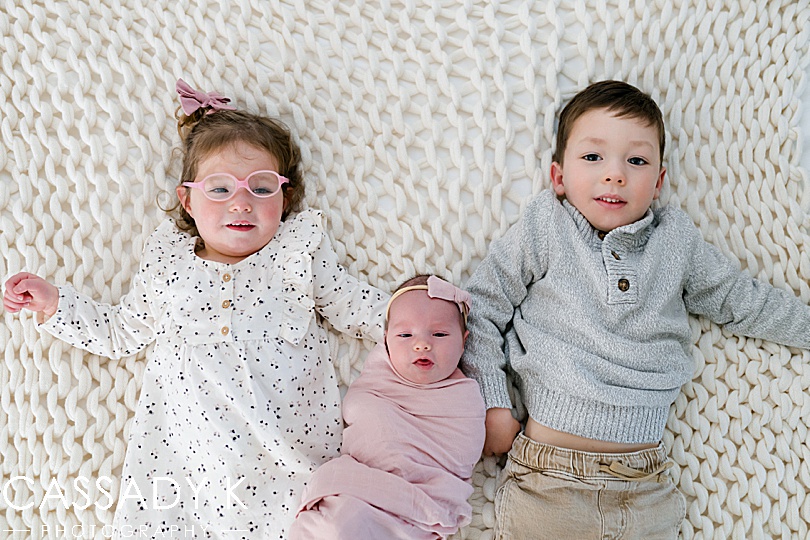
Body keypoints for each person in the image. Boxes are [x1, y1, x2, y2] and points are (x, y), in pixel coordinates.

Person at [3, 79, 388, 539]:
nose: (241, 202)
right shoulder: (169, 260)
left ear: (285, 199)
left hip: (287, 457)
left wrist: (421, 318)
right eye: (220, 189)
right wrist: (57, 305)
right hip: (187, 462)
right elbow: (123, 330)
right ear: (188, 200)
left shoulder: (296, 252)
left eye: (262, 188)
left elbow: (352, 305)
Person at [460, 80, 810, 539]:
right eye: (593, 157)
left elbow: (741, 300)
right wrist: (493, 403)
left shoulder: (676, 243)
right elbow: (480, 307)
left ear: (659, 182)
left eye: (637, 161)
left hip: (642, 484)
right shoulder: (546, 227)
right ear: (558, 177)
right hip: (549, 479)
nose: (615, 174)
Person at [289, 275, 486, 540]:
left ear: (464, 341)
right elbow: (359, 406)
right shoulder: (380, 374)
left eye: (439, 334)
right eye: (405, 335)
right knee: (340, 523)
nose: (422, 344)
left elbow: (461, 457)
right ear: (386, 341)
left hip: (420, 502)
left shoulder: (465, 397)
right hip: (360, 484)